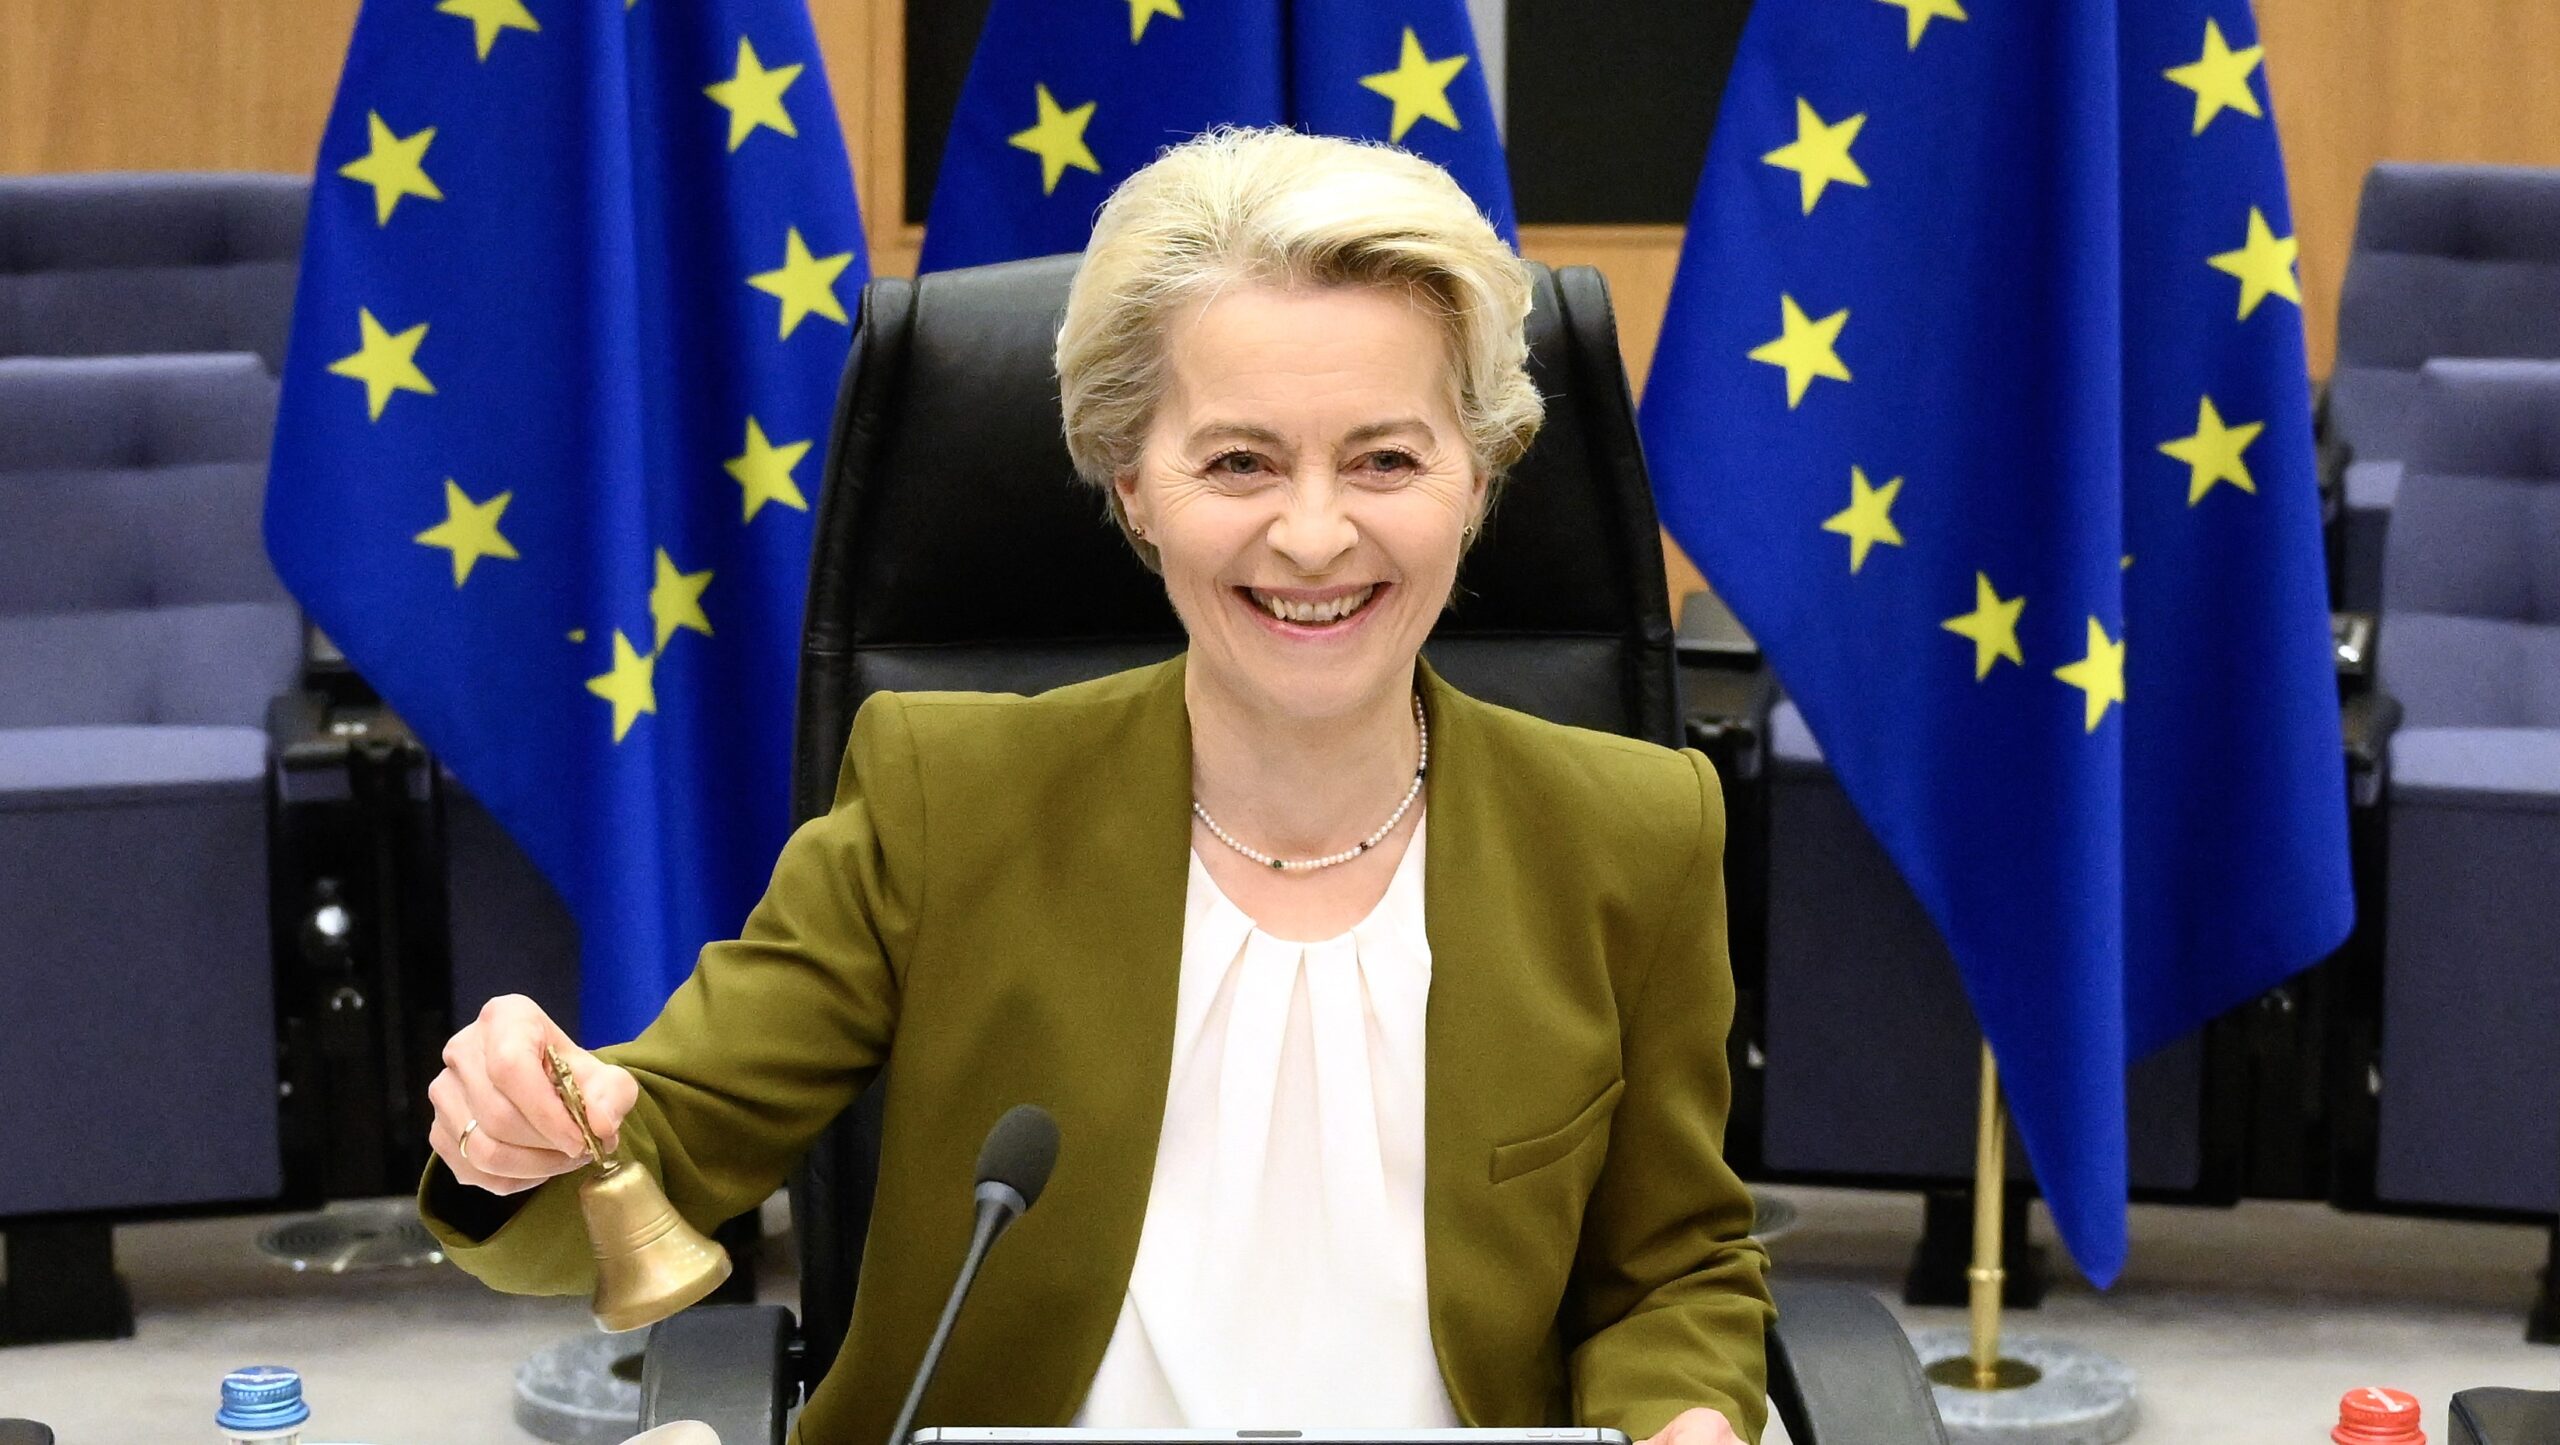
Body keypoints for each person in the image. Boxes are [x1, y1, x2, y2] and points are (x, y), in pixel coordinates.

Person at [419, 126, 1773, 1445]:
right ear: (1132, 483)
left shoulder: (1633, 830)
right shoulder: (946, 798)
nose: (1312, 532)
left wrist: (1690, 1416)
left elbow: (1672, 1268)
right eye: (1239, 461)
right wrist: (531, 1132)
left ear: (1476, 476)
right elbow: (662, 1145)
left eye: (1386, 458)